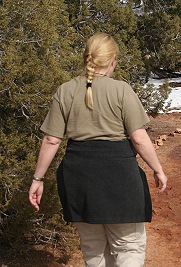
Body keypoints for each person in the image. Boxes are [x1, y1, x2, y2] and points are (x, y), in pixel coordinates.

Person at [28, 32, 167, 267]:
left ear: (87, 58)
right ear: (113, 61)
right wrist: (157, 169)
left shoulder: (65, 91)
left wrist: (37, 178)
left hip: (79, 179)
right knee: (128, 247)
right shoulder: (122, 90)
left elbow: (52, 140)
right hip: (120, 178)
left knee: (93, 250)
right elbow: (139, 138)